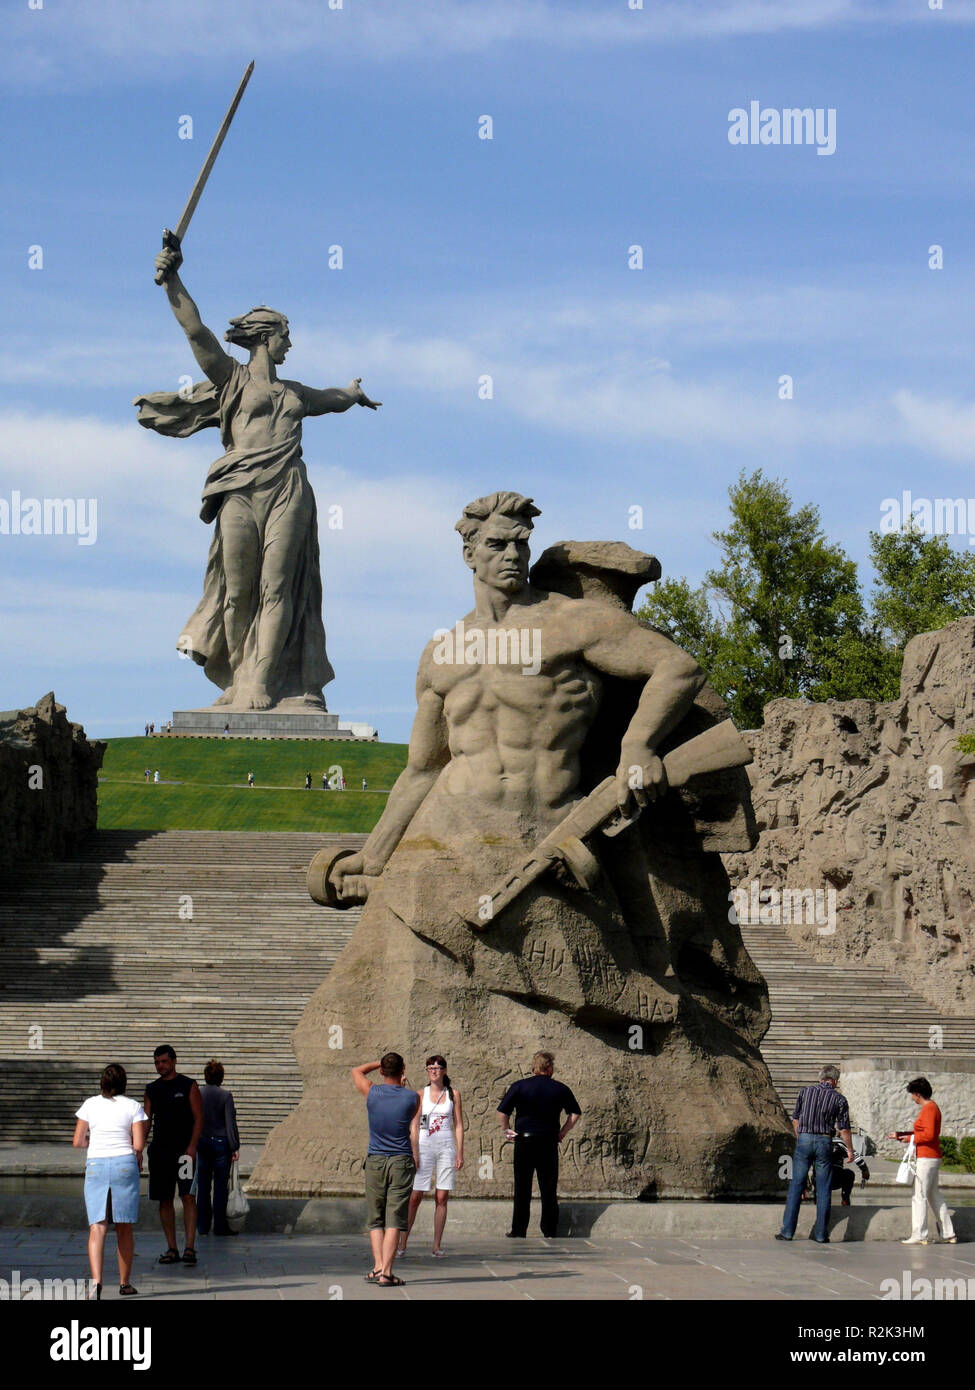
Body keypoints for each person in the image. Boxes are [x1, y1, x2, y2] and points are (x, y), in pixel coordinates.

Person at [137, 243, 380, 712]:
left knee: (278, 586)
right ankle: (239, 676)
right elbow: (196, 331)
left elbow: (333, 398)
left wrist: (353, 393)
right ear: (266, 337)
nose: (290, 345)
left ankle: (263, 683)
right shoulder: (231, 378)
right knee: (237, 591)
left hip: (288, 488)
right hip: (238, 490)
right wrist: (172, 281)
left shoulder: (297, 392)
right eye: (286, 336)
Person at [73, 1064, 147, 1299]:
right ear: (123, 1083)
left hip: (96, 1164)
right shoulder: (133, 1106)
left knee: (97, 1226)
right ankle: (125, 1283)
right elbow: (137, 1144)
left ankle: (96, 1283)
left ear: (102, 1083)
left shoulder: (90, 1105)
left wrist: (91, 1145)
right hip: (124, 1164)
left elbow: (77, 1141)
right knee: (124, 1226)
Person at [352, 1054, 420, 1287]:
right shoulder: (412, 1097)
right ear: (403, 1070)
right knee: (395, 1218)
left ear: (381, 1071)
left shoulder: (372, 1092)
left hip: (375, 1160)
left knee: (375, 1218)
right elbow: (410, 1118)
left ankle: (378, 1266)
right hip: (401, 1159)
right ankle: (387, 1273)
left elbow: (356, 1071)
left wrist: (375, 1064)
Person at [497, 1052, 581, 1239]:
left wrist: (507, 1131)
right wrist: (563, 1132)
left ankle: (519, 1230)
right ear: (550, 1068)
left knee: (522, 1187)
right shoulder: (560, 1088)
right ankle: (549, 1229)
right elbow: (574, 1113)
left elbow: (502, 1112)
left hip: (524, 1140)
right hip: (548, 1141)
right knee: (548, 1187)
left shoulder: (519, 1086)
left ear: (534, 1068)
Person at [777, 1064, 854, 1244]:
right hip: (824, 1141)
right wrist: (849, 1150)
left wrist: (801, 1137)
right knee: (823, 1187)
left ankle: (787, 1232)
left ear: (820, 1078)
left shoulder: (805, 1092)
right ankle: (821, 1234)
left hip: (804, 1139)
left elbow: (795, 1119)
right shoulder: (839, 1099)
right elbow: (844, 1129)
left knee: (796, 1184)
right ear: (835, 1081)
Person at [399, 1055, 464, 1258]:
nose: (434, 1071)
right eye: (430, 1068)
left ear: (444, 1070)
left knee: (442, 1196)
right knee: (415, 1196)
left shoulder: (453, 1094)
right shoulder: (420, 1094)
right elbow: (415, 1125)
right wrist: (414, 1151)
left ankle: (436, 1245)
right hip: (425, 1145)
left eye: (437, 1067)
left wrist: (460, 1151)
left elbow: (459, 1124)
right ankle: (402, 1243)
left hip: (445, 1145)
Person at [143, 1045, 203, 1265]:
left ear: (174, 1061)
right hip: (160, 1153)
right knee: (164, 1199)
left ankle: (189, 1247)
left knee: (188, 1196)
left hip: (184, 1153)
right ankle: (171, 1248)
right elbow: (147, 1120)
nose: (161, 1066)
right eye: (157, 1062)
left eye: (164, 1062)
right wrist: (138, 1147)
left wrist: (193, 1146)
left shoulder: (189, 1085)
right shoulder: (151, 1089)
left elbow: (198, 1118)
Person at [888, 1076, 956, 1245]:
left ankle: (920, 1234)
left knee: (919, 1195)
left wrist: (910, 1139)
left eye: (912, 1094)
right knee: (934, 1195)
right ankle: (948, 1233)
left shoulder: (929, 1109)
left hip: (926, 1157)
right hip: (931, 1156)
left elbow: (929, 1134)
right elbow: (925, 1133)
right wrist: (901, 1135)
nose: (912, 1098)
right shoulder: (931, 1108)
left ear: (918, 1094)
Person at [197, 1059, 240, 1238]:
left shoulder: (198, 1094)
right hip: (221, 1143)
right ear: (221, 1077)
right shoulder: (225, 1095)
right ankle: (220, 1226)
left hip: (202, 1141)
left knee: (203, 1185)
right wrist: (235, 1146)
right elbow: (230, 1123)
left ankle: (202, 1225)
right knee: (220, 1186)